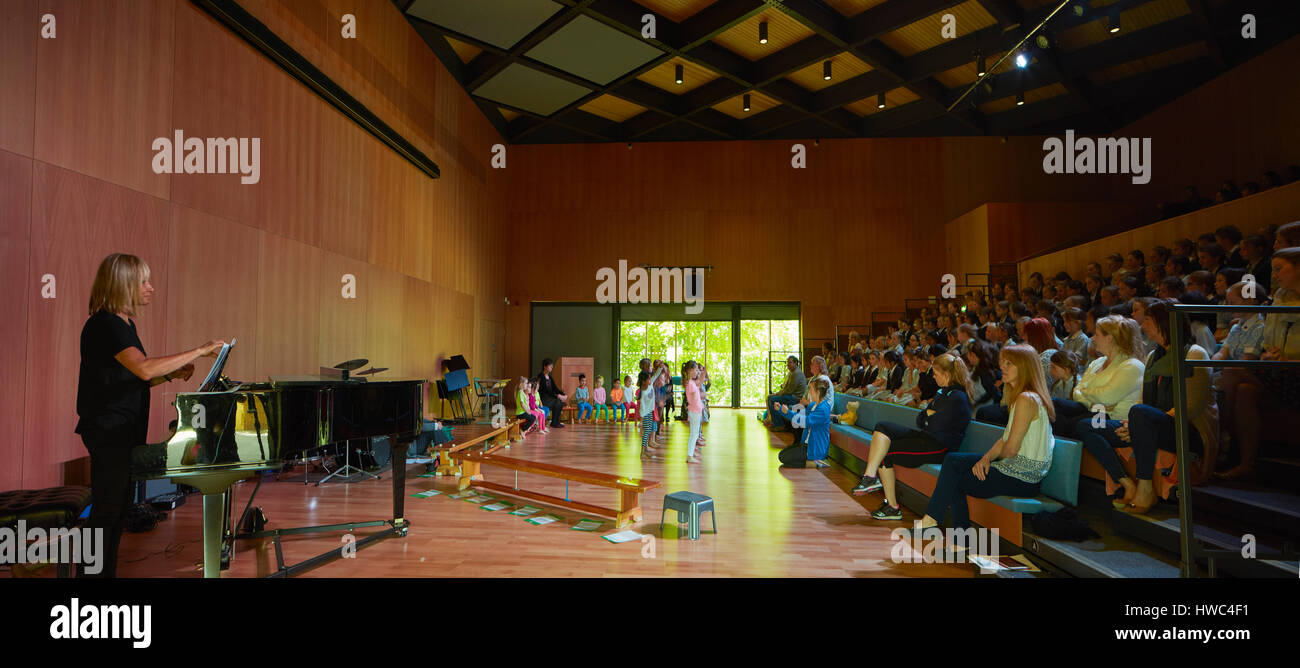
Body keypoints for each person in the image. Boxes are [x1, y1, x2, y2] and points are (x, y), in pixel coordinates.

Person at [75, 253, 226, 578]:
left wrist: (168, 375)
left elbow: (129, 377)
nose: (151, 288)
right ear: (125, 285)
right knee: (107, 511)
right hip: (108, 430)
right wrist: (199, 350)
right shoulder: (105, 324)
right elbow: (143, 369)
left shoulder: (124, 324)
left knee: (116, 511)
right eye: (144, 281)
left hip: (124, 428)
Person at [910, 345, 1055, 535]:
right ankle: (934, 520)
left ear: (1025, 368)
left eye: (1009, 363)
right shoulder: (1023, 397)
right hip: (1015, 469)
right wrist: (986, 458)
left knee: (955, 480)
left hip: (1022, 477)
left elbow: (1010, 449)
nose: (1002, 367)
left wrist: (989, 462)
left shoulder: (1026, 399)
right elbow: (1005, 440)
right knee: (953, 459)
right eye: (1002, 362)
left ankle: (953, 538)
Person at [852, 353, 974, 521]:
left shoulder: (957, 397)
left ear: (946, 375)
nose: (933, 375)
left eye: (936, 373)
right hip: (927, 437)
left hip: (939, 447)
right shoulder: (942, 393)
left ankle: (892, 507)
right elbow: (921, 419)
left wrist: (930, 418)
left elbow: (934, 424)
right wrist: (930, 417)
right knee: (882, 427)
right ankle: (870, 476)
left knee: (885, 453)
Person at [777, 378, 832, 469]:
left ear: (817, 392)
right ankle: (811, 462)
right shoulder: (812, 405)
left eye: (811, 389)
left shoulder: (823, 408)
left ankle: (817, 463)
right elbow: (799, 419)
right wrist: (781, 410)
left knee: (783, 457)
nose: (809, 392)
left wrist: (788, 412)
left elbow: (806, 421)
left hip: (815, 449)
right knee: (783, 454)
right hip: (806, 444)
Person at [765, 356, 807, 430]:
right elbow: (785, 386)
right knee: (770, 397)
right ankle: (772, 420)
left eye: (790, 362)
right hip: (790, 395)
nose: (788, 364)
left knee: (772, 399)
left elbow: (788, 390)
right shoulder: (791, 372)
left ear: (796, 363)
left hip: (795, 398)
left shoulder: (796, 373)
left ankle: (779, 425)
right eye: (787, 362)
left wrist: (776, 394)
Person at [683, 362, 705, 464]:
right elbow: (694, 397)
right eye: (696, 370)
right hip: (694, 411)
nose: (697, 372)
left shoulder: (691, 382)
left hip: (695, 411)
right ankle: (689, 456)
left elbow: (699, 384)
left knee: (694, 434)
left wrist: (703, 372)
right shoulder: (690, 384)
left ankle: (691, 453)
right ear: (690, 371)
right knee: (694, 434)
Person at [536, 358, 567, 429]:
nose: (552, 367)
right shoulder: (541, 376)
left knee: (560, 402)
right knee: (558, 402)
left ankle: (555, 422)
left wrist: (563, 394)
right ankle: (554, 422)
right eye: (550, 366)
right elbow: (546, 391)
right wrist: (558, 396)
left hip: (549, 397)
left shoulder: (550, 377)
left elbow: (555, 388)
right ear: (545, 366)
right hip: (543, 399)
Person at [635, 371, 658, 460]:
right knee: (647, 431)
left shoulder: (650, 383)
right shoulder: (642, 392)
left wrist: (660, 367)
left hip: (650, 411)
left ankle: (644, 451)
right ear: (644, 381)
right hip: (645, 414)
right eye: (648, 379)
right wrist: (641, 419)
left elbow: (656, 375)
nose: (650, 380)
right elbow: (642, 407)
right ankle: (642, 452)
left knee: (648, 431)